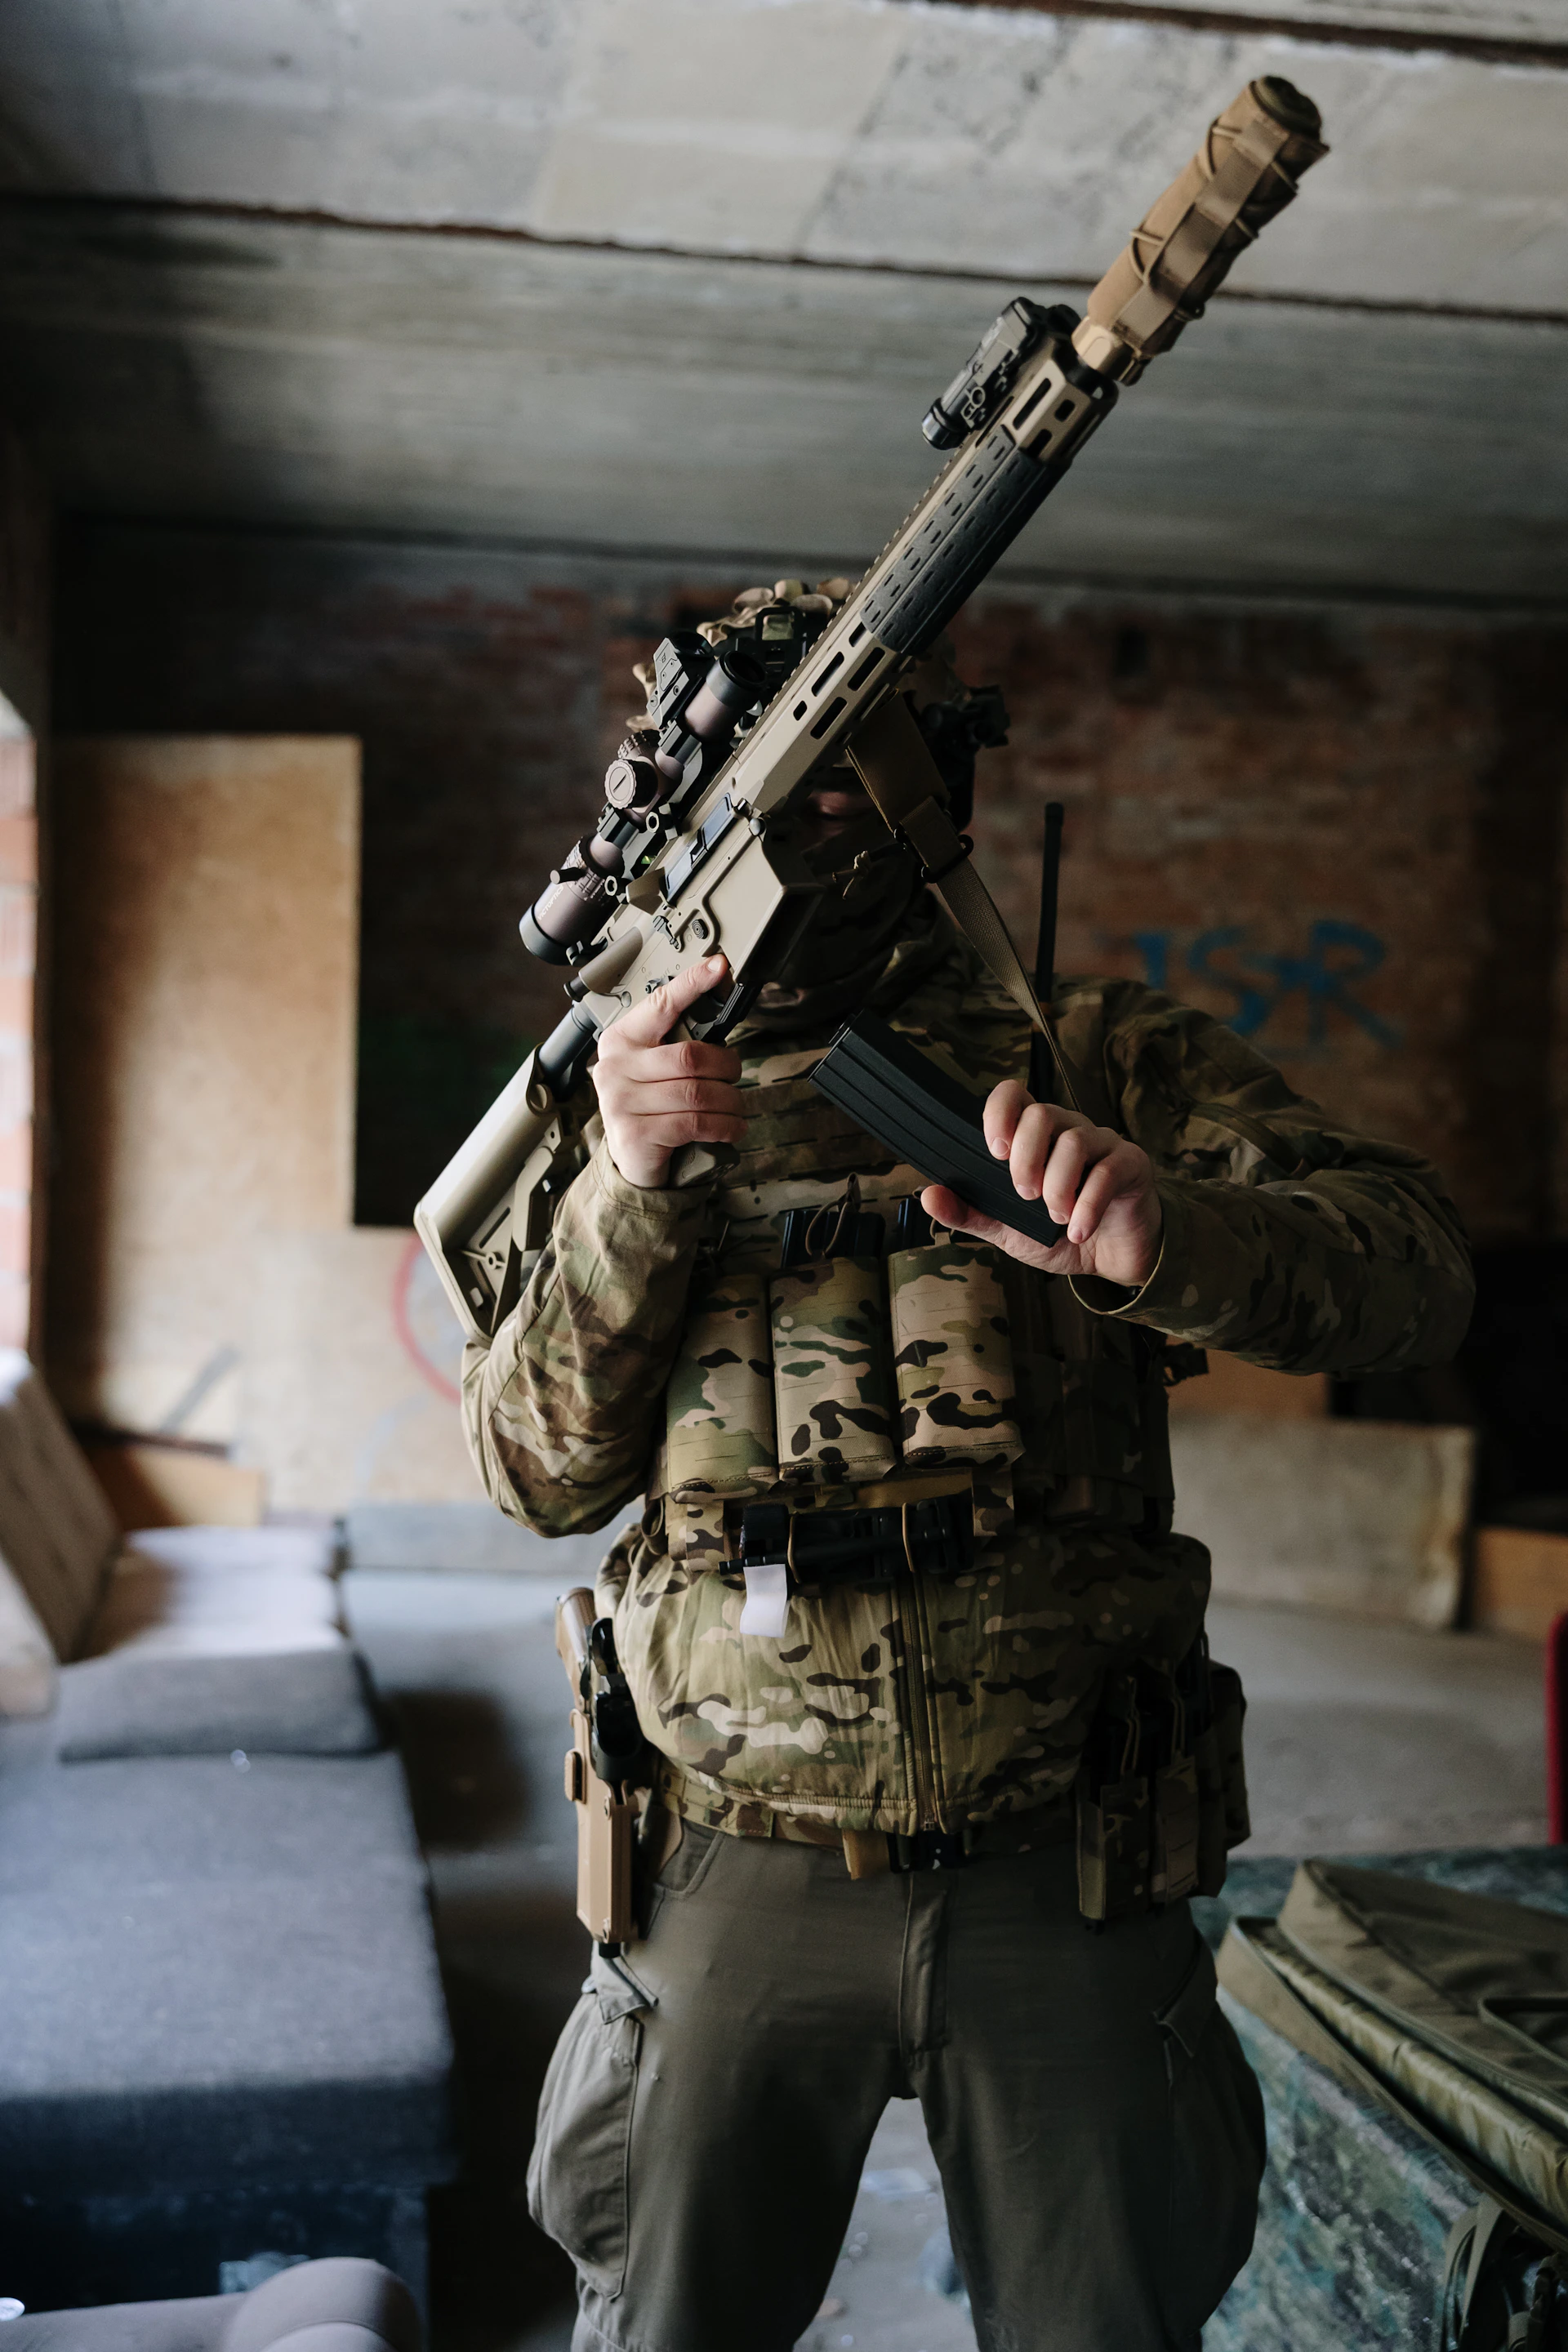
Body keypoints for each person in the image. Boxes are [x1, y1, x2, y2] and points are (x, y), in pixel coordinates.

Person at [462, 584, 1474, 2352]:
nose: (815, 819)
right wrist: (631, 1192)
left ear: (940, 792)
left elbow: (1413, 1275)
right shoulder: (612, 1094)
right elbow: (534, 1474)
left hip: (1065, 1869)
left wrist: (1177, 1231)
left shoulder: (1097, 1057)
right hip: (730, 1866)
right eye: (773, 783)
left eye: (860, 771)